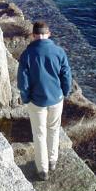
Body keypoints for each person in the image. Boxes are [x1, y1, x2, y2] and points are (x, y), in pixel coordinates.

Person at [17, 21, 72, 181]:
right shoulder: (59, 51)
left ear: (33, 35)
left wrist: (26, 98)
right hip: (56, 98)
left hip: (37, 102)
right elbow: (66, 75)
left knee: (39, 134)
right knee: (54, 129)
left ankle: (43, 170)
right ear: (49, 34)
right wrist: (64, 92)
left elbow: (23, 82)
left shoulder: (27, 54)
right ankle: (52, 160)